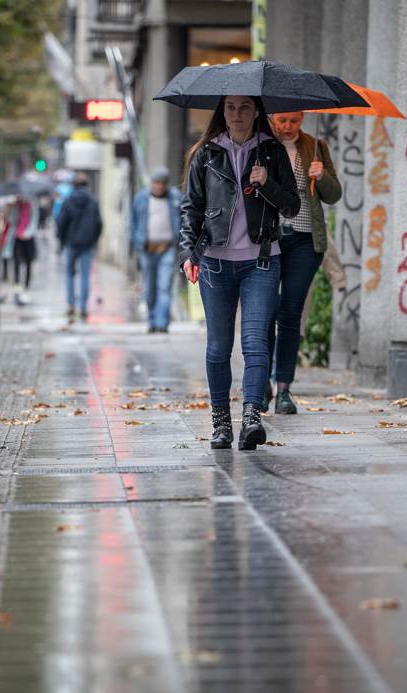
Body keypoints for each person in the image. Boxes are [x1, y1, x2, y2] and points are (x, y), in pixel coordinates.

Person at [180, 95, 299, 451]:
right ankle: (220, 422)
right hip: (215, 261)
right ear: (222, 112)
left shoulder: (272, 153)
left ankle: (251, 417)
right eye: (230, 107)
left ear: (257, 111)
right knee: (218, 346)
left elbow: (291, 206)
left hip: (261, 260)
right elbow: (191, 208)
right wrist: (188, 252)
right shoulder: (205, 154)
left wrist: (268, 184)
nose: (237, 114)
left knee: (255, 341)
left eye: (245, 107)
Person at [267, 111, 342, 415]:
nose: (287, 127)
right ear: (272, 119)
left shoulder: (315, 146)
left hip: (304, 240)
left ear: (301, 119)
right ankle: (260, 385)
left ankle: (283, 388)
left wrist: (321, 176)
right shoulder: (263, 145)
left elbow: (334, 195)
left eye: (293, 121)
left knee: (290, 313)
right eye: (281, 121)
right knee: (264, 312)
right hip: (269, 239)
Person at [130, 166, 182, 333]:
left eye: (162, 183)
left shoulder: (175, 198)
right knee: (150, 288)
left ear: (166, 184)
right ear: (151, 183)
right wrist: (134, 245)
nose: (158, 187)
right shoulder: (141, 198)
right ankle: (152, 321)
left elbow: (184, 220)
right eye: (156, 183)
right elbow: (133, 223)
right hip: (147, 249)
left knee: (164, 286)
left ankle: (162, 323)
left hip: (167, 248)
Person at [56, 173, 102, 322]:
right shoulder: (93, 201)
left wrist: (62, 241)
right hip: (87, 244)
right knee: (85, 276)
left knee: (70, 274)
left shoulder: (68, 201)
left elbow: (61, 222)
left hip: (71, 243)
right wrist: (94, 239)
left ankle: (71, 304)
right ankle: (83, 307)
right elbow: (99, 223)